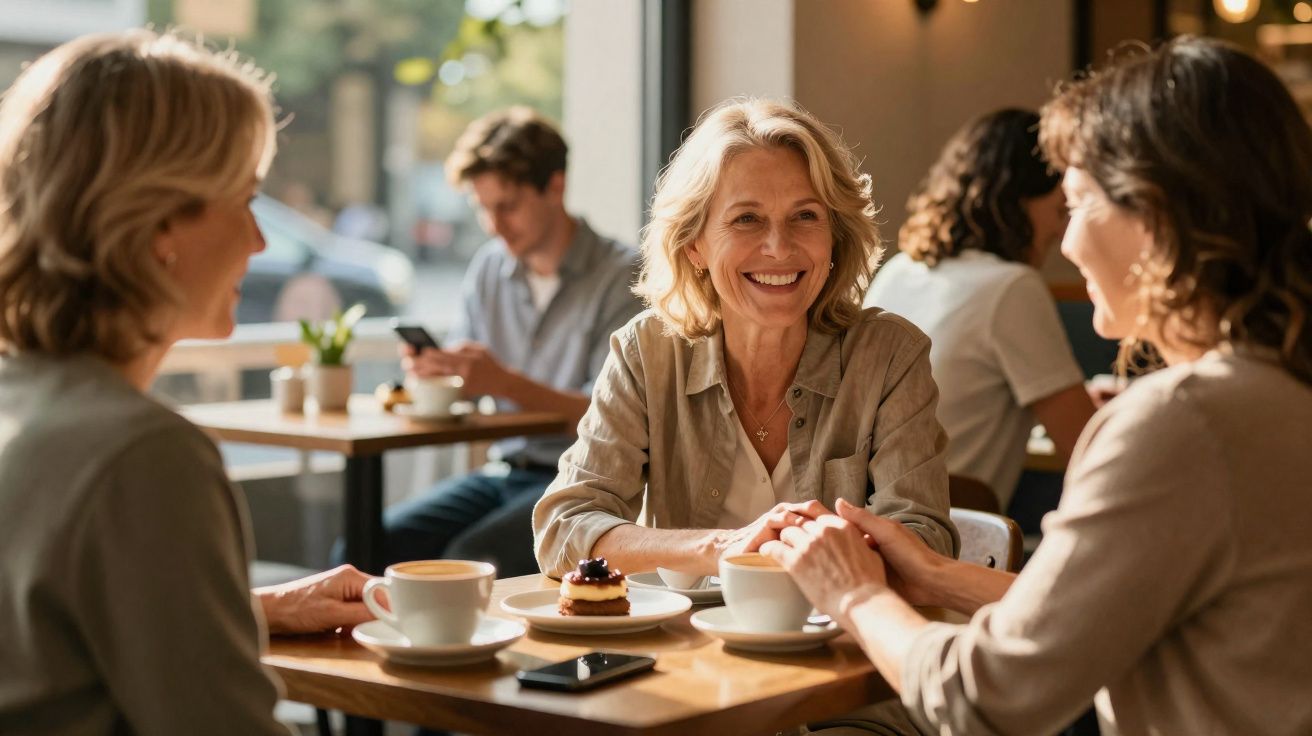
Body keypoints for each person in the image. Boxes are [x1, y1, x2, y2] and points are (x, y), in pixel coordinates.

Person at [761, 37, 1312, 735]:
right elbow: (1107, 612)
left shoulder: (1182, 423)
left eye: (1077, 204)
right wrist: (935, 573)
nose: (1067, 242)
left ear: (1153, 216)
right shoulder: (1278, 389)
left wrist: (855, 596)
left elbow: (986, 699)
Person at [0, 31, 373, 734]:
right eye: (246, 197)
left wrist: (251, 609)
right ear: (159, 221)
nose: (261, 242)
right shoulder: (141, 456)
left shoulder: (21, 402)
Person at [533, 98, 957, 581]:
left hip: (838, 641)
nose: (779, 247)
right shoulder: (646, 352)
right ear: (694, 244)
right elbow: (562, 528)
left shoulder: (889, 356)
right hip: (685, 647)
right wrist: (723, 547)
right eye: (746, 219)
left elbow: (925, 539)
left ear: (834, 237)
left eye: (805, 216)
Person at [374, 107, 642, 577]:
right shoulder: (489, 269)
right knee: (369, 544)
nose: (495, 224)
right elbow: (471, 384)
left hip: (580, 482)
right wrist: (439, 374)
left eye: (508, 205)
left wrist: (502, 382)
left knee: (465, 560)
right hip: (505, 471)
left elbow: (612, 422)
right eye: (483, 207)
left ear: (555, 186)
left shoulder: (623, 278)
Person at [865, 109, 1095, 508]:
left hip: (868, 517)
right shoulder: (1012, 288)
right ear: (1017, 200)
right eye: (1060, 210)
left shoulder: (899, 271)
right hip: (952, 535)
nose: (1061, 233)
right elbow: (1084, 445)